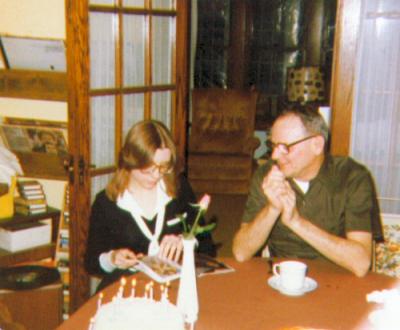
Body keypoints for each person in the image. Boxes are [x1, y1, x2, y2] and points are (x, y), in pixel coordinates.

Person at [232, 106, 382, 277]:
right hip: (283, 279)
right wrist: (272, 209)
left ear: (317, 145)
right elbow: (241, 252)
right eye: (273, 146)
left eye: (285, 147)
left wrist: (296, 222)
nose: (274, 156)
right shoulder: (267, 175)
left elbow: (361, 263)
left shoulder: (353, 178)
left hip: (338, 279)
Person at [85, 120, 215, 290]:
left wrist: (184, 242)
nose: (155, 176)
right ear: (130, 163)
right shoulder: (107, 203)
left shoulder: (179, 189)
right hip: (126, 287)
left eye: (163, 168)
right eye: (147, 170)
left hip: (173, 285)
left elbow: (207, 246)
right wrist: (113, 258)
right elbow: (91, 262)